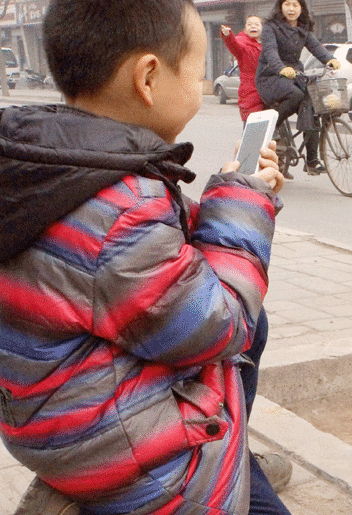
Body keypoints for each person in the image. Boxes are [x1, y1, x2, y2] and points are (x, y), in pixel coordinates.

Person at [0, 1, 294, 514]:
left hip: (52, 416)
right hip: (134, 462)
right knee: (245, 321)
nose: (203, 85)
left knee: (256, 321)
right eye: (197, 70)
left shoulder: (57, 161)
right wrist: (246, 205)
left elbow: (136, 257)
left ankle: (235, 448)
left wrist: (230, 192)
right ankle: (228, 455)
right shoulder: (123, 205)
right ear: (149, 78)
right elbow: (216, 322)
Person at [255, 0, 340, 176]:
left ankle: (312, 161)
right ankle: (273, 126)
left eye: (295, 5)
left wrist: (329, 59)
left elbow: (316, 47)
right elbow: (270, 52)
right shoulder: (271, 27)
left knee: (312, 105)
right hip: (270, 76)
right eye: (287, 4)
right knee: (296, 95)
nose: (291, 9)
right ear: (281, 6)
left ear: (302, 8)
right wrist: (280, 68)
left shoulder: (303, 29)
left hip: (294, 75)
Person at [221, 15, 265, 123]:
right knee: (252, 124)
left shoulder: (268, 43)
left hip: (268, 87)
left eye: (256, 24)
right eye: (249, 24)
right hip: (250, 89)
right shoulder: (242, 42)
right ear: (245, 29)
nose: (252, 27)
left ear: (263, 28)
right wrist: (227, 35)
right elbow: (234, 45)